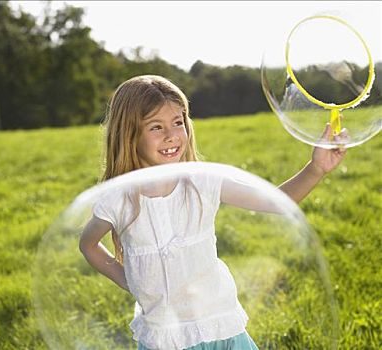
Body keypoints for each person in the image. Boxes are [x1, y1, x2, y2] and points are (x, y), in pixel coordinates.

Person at [79, 75, 346, 350]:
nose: (172, 135)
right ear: (129, 134)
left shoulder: (202, 182)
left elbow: (275, 201)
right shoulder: (119, 199)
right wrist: (129, 281)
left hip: (220, 327)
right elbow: (88, 244)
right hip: (164, 337)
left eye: (178, 122)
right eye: (156, 127)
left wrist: (316, 169)